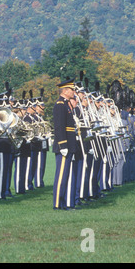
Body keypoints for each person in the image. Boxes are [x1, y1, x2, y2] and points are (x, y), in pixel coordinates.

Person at [52, 78, 77, 210]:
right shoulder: (60, 105)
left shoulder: (66, 105)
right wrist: (63, 145)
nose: (74, 92)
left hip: (69, 144)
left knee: (65, 175)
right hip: (64, 145)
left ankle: (61, 203)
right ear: (66, 90)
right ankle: (57, 204)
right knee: (61, 175)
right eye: (72, 89)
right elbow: (59, 127)